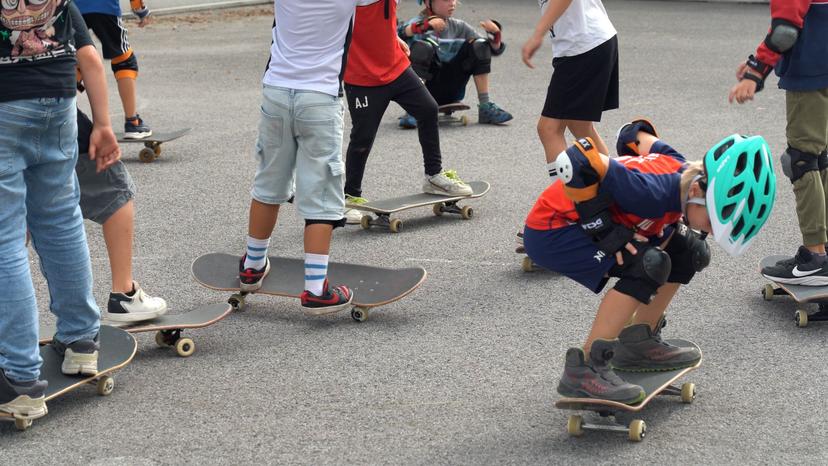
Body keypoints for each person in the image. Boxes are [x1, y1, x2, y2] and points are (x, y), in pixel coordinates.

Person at [523, 120, 776, 402]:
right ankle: (586, 369)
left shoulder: (682, 169)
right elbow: (578, 158)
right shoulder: (649, 192)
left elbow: (632, 134)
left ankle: (637, 341)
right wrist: (605, 231)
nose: (711, 231)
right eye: (713, 220)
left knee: (688, 250)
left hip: (579, 222)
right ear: (695, 192)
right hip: (553, 231)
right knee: (646, 266)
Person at [0, 0, 120, 421]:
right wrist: (103, 123)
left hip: (5, 106)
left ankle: (20, 377)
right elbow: (88, 54)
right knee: (61, 222)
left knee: (6, 243)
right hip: (58, 101)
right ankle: (81, 342)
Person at [238, 0, 360, 314]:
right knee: (320, 190)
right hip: (319, 96)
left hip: (276, 90)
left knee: (269, 180)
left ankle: (252, 266)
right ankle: (316, 289)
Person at [342, 0, 473, 224]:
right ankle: (350, 196)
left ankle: (433, 176)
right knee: (363, 136)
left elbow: (382, 21)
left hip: (396, 67)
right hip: (362, 75)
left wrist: (394, 37)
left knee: (428, 109)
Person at [729, 0, 828, 286]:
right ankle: (823, 249)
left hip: (810, 73)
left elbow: (785, 30)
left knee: (802, 160)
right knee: (821, 157)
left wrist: (755, 73)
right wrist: (755, 62)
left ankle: (815, 257)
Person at [75, 106, 168, 322]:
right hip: (42, 104)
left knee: (18, 212)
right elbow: (91, 70)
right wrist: (103, 126)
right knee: (115, 190)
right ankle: (124, 294)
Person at [521, 0, 618, 162]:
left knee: (549, 129)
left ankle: (565, 188)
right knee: (579, 125)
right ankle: (615, 182)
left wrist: (537, 35)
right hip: (591, 41)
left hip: (582, 46)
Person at [397, 0, 512, 128]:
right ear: (428, 2)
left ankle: (485, 106)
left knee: (480, 44)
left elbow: (490, 51)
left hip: (452, 88)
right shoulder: (416, 23)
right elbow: (395, 35)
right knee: (423, 47)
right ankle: (415, 108)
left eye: (454, 0)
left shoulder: (460, 27)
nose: (452, 3)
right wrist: (422, 26)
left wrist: (495, 36)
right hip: (425, 90)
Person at [74, 0, 153, 138]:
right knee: (124, 61)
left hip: (73, 9)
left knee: (76, 60)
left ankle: (60, 114)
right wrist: (140, 10)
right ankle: (132, 123)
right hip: (105, 7)